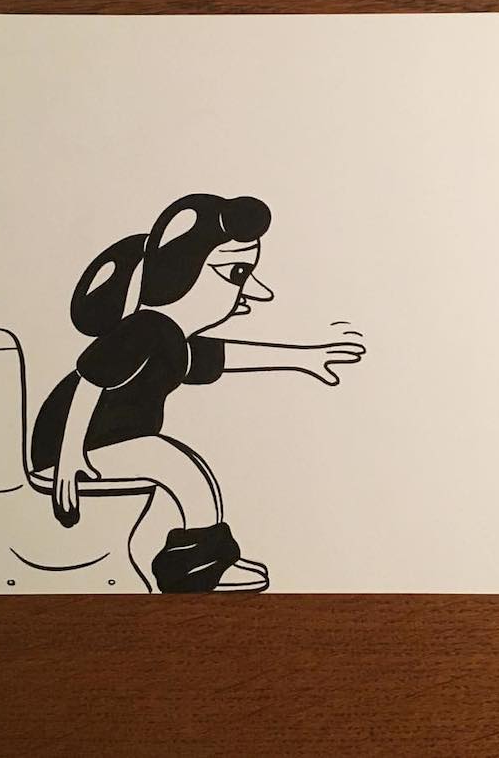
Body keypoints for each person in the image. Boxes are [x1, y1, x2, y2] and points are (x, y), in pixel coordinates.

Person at [31, 193, 365, 592]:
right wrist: (69, 456)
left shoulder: (169, 338)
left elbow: (224, 356)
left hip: (107, 441)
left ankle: (196, 562)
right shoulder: (145, 330)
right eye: (237, 273)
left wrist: (304, 358)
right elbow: (90, 381)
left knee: (187, 470)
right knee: (185, 473)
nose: (255, 291)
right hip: (78, 448)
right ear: (182, 272)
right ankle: (194, 570)